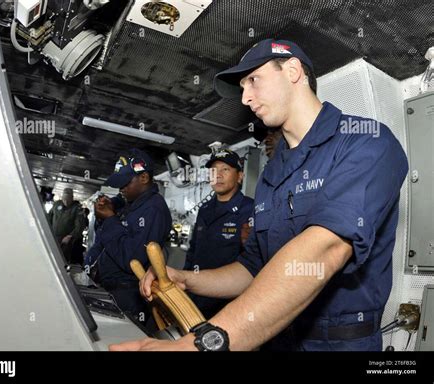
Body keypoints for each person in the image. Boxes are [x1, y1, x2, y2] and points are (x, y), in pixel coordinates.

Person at [110, 39, 408, 351]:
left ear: (293, 70)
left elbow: (326, 250)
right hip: (273, 338)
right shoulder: (271, 175)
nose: (246, 98)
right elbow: (253, 268)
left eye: (253, 80)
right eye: (242, 87)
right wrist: (187, 279)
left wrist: (199, 346)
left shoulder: (366, 144)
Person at [86, 149, 172, 324]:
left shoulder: (153, 209)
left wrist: (110, 219)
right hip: (109, 287)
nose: (121, 189)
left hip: (128, 293)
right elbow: (106, 241)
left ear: (144, 178)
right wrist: (107, 213)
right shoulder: (130, 204)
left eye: (125, 183)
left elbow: (132, 259)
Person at [184, 149, 253, 319]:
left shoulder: (250, 209)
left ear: (240, 176)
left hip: (227, 302)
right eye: (214, 170)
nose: (218, 175)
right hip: (196, 295)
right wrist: (185, 282)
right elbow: (193, 250)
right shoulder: (204, 209)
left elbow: (253, 260)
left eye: (225, 169)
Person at [47, 188, 86, 264]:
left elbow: (80, 226)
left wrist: (70, 236)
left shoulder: (77, 209)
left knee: (62, 259)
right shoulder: (56, 204)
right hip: (53, 236)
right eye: (64, 199)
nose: (66, 202)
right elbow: (49, 217)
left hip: (66, 240)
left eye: (68, 199)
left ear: (72, 198)